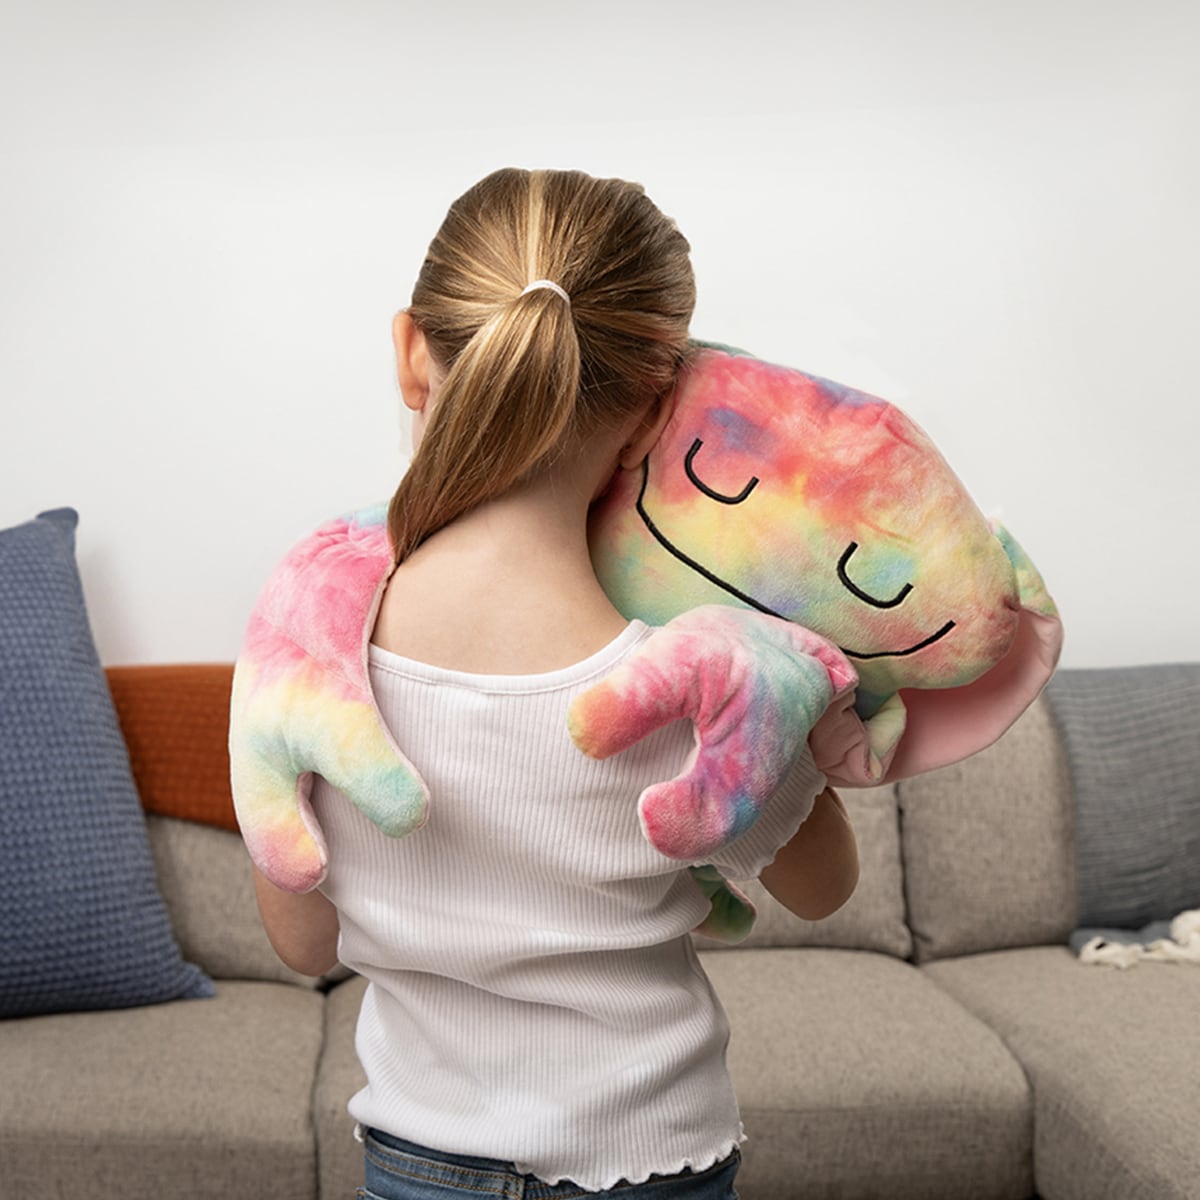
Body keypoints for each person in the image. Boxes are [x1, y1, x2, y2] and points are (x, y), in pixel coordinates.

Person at [249, 167, 858, 1198]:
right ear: (657, 410)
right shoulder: (697, 681)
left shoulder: (304, 639)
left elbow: (303, 942)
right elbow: (825, 887)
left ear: (412, 353)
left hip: (417, 1161)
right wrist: (793, 702)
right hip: (651, 1158)